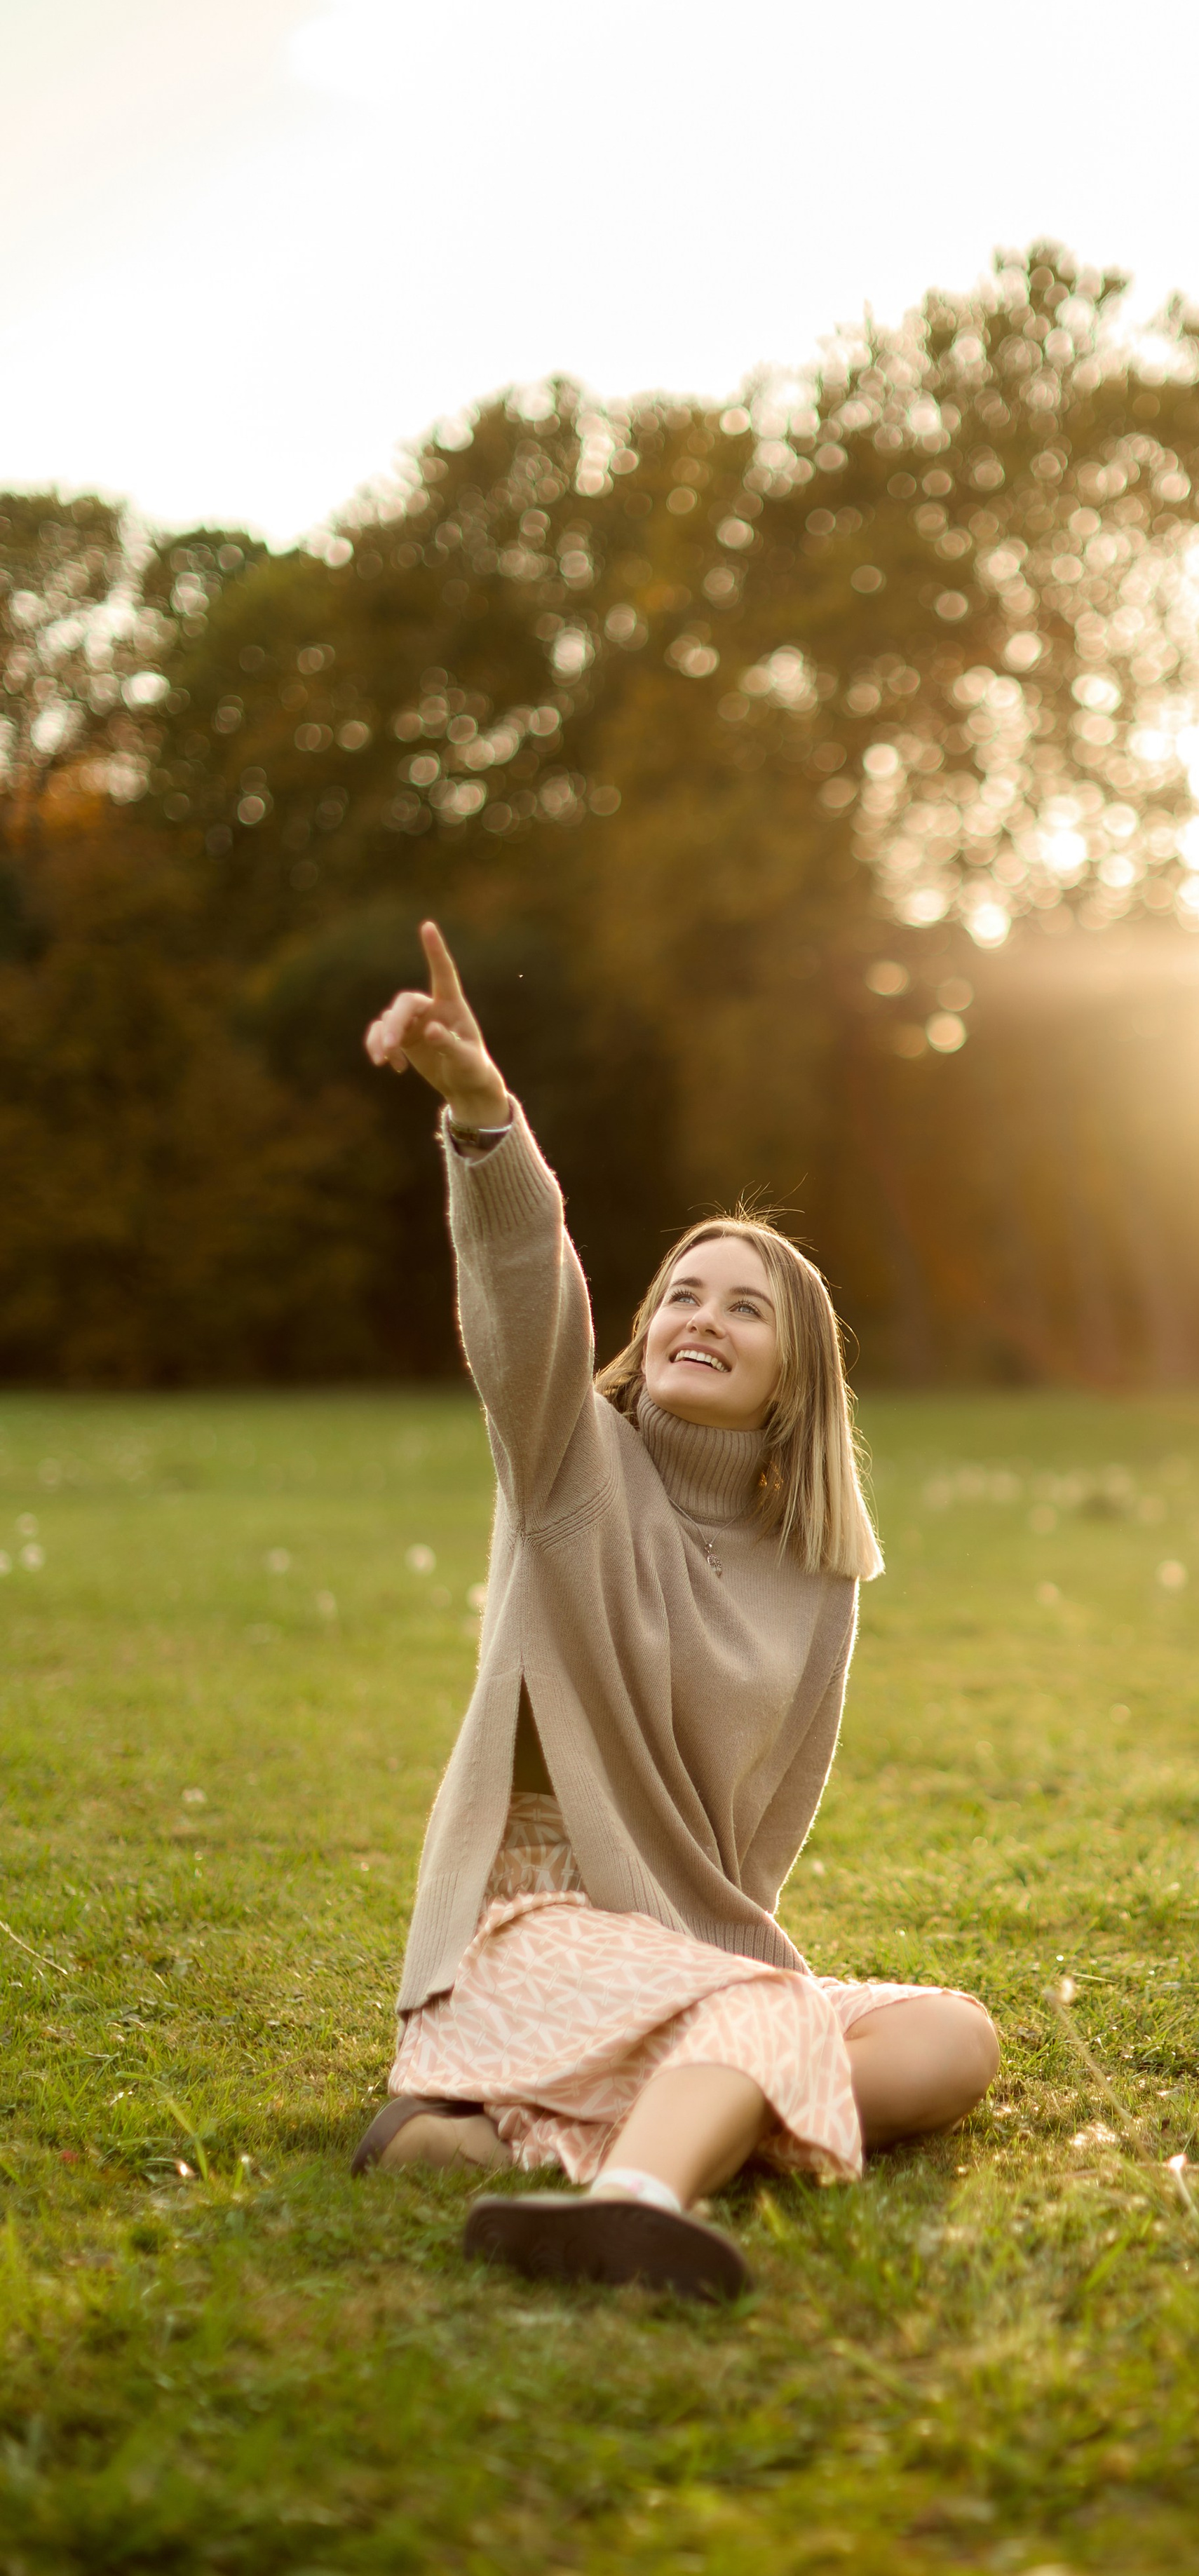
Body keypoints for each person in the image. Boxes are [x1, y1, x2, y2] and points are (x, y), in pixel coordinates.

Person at [353, 923, 998, 2298]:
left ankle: (479, 2141)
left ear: (794, 1378)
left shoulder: (817, 1571)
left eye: (744, 1310)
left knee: (951, 2039)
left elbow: (756, 1835)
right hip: (525, 1937)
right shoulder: (567, 1468)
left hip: (684, 1948)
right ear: (642, 1332)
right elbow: (525, 1295)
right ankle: (640, 2194)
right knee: (764, 2012)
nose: (701, 1317)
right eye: (680, 1296)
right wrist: (484, 1118)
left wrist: (724, 1975)